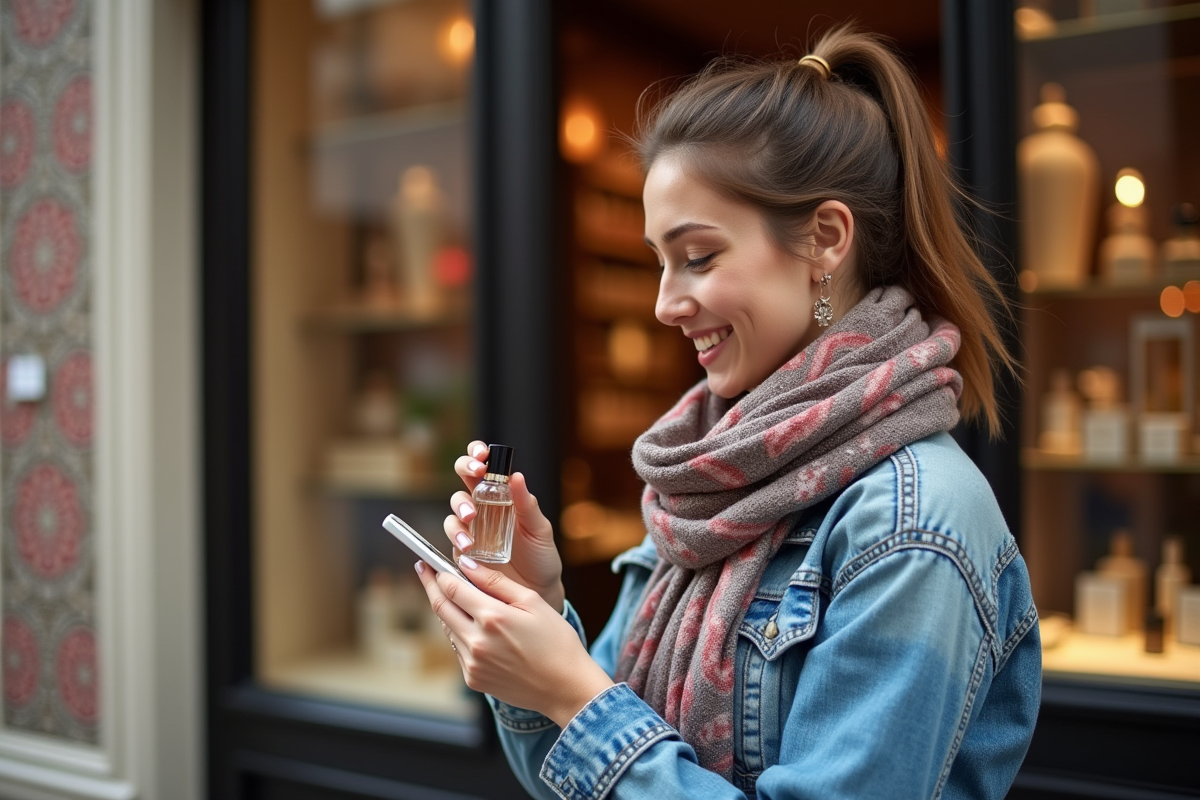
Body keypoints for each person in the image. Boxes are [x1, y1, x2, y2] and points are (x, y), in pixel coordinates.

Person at [416, 24, 1041, 800]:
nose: (665, 304)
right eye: (658, 260)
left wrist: (573, 694)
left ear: (825, 239)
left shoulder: (912, 522)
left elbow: (600, 728)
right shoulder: (704, 481)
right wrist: (536, 619)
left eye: (699, 256)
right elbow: (578, 780)